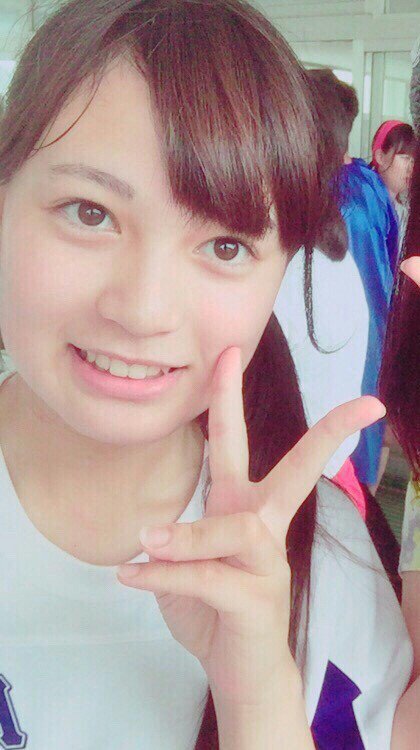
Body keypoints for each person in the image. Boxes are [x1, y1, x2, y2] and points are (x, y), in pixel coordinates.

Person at [0, 1, 412, 748]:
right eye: (89, 212)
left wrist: (257, 694)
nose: (143, 310)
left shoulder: (325, 562)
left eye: (225, 247)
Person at [371, 120, 416, 261]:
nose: (410, 168)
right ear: (380, 157)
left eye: (414, 160)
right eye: (405, 158)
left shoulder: (403, 213)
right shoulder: (365, 208)